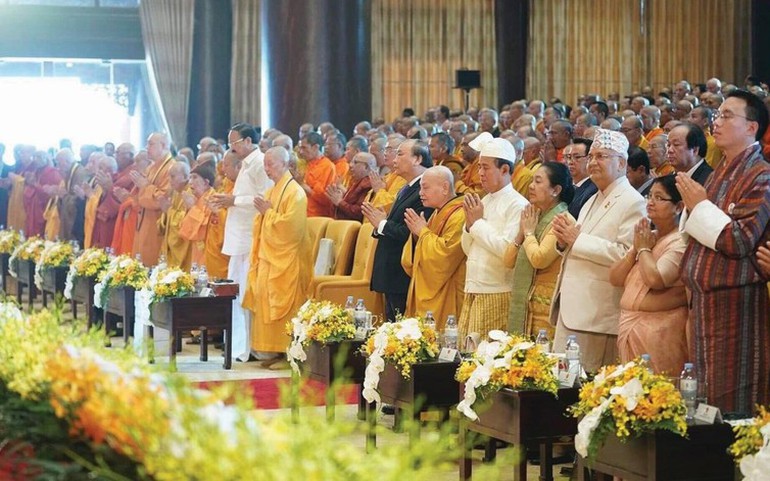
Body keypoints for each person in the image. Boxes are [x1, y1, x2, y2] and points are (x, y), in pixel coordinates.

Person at [677, 90, 770, 414]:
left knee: (732, 396)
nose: (717, 121)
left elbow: (740, 240)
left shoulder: (760, 175)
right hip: (703, 300)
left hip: (736, 302)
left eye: (728, 115)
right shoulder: (721, 172)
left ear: (752, 127)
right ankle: (709, 462)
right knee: (704, 392)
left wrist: (699, 205)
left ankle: (732, 462)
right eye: (717, 115)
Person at [550, 129, 646, 373]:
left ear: (622, 163)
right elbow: (576, 244)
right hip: (573, 308)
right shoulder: (593, 197)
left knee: (586, 387)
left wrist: (576, 239)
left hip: (597, 315)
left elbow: (627, 254)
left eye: (602, 156)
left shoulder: (632, 201)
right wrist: (563, 241)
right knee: (562, 384)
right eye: (591, 157)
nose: (593, 163)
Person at [609, 176, 689, 375]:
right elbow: (615, 278)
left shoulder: (680, 242)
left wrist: (643, 249)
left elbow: (656, 279)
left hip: (660, 332)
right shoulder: (648, 237)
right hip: (631, 327)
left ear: (678, 207)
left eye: (660, 198)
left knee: (657, 398)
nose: (651, 202)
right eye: (649, 196)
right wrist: (636, 250)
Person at [242, 146, 312, 370]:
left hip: (288, 259)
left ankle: (289, 352)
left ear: (285, 163)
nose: (267, 169)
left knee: (284, 303)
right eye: (265, 164)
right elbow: (263, 220)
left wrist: (268, 214)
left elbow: (291, 230)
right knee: (264, 297)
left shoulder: (295, 193)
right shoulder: (274, 190)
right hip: (270, 256)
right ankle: (276, 350)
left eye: (270, 164)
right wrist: (265, 214)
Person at [210, 123, 271, 363]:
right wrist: (227, 201)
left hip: (249, 238)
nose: (231, 148)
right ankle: (237, 345)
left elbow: (264, 197)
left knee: (244, 294)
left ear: (247, 141)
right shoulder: (247, 164)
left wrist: (233, 200)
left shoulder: (259, 163)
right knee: (235, 292)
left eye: (234, 142)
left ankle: (247, 347)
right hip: (239, 238)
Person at [459, 138, 528, 340]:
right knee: (465, 352)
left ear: (505, 169)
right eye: (479, 167)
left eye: (485, 168)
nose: (480, 173)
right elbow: (467, 249)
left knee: (483, 356)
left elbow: (507, 250)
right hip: (473, 287)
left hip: (496, 291)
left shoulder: (518, 204)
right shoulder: (484, 200)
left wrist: (477, 223)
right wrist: (469, 225)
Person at [363, 139, 433, 321]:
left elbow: (414, 232)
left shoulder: (425, 189)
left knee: (401, 332)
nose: (394, 159)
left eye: (400, 154)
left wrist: (382, 224)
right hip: (391, 272)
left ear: (417, 159)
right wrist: (379, 225)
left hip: (403, 273)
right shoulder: (406, 188)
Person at [505, 162, 573, 338]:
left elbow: (539, 258)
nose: (531, 186)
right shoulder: (534, 216)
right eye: (532, 181)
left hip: (547, 306)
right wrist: (522, 233)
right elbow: (507, 261)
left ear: (555, 190)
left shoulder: (563, 220)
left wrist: (528, 232)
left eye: (538, 181)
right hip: (529, 303)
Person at [401, 166, 466, 330]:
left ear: (445, 187)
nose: (420, 193)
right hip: (433, 288)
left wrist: (422, 232)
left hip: (448, 291)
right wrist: (417, 235)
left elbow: (445, 256)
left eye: (425, 187)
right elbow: (416, 257)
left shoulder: (460, 215)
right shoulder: (438, 213)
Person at [180, 157, 229, 278]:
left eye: (195, 178)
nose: (190, 182)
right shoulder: (196, 200)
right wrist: (191, 208)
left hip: (212, 256)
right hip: (197, 254)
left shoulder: (214, 200)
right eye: (190, 178)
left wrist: (192, 208)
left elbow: (203, 231)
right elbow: (185, 232)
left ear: (206, 182)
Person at [132, 132, 174, 266]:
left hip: (157, 226)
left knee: (153, 267)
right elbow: (140, 197)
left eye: (151, 144)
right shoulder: (151, 168)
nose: (147, 147)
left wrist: (145, 186)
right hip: (144, 224)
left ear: (163, 145)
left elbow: (163, 199)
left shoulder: (171, 168)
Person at [158, 162, 192, 270]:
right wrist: (166, 212)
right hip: (171, 247)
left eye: (172, 176)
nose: (169, 179)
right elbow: (169, 214)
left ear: (186, 176)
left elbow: (188, 219)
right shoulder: (175, 192)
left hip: (184, 248)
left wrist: (168, 211)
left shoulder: (190, 192)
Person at [326, 152, 374, 222]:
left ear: (366, 167)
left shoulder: (368, 184)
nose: (350, 165)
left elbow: (359, 212)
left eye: (355, 162)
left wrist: (339, 202)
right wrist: (339, 198)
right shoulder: (357, 182)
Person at [297, 132, 336, 217]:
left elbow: (326, 199)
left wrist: (302, 184)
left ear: (316, 147)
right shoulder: (303, 164)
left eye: (304, 148)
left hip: (318, 217)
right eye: (300, 148)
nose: (301, 152)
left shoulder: (327, 166)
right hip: (301, 213)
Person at [566, 138, 597, 219]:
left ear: (589, 159)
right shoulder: (565, 184)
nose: (570, 162)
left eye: (577, 157)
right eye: (569, 157)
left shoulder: (593, 190)